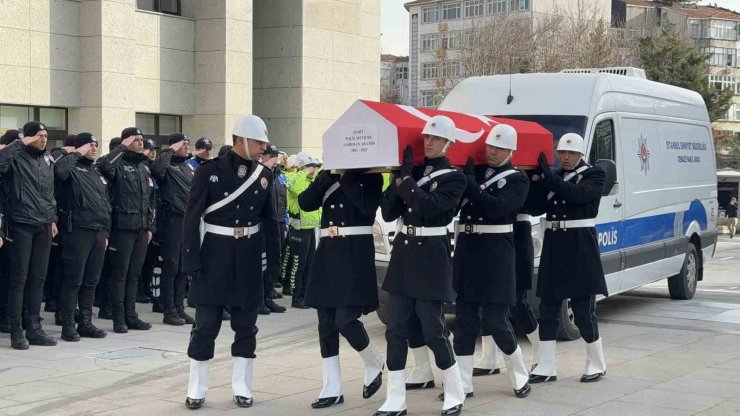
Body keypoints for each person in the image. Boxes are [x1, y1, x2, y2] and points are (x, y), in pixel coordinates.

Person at [182, 114, 280, 409]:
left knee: (246, 325)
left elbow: (270, 221)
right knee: (206, 325)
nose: (264, 147)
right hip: (214, 254)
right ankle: (197, 388)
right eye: (259, 142)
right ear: (241, 140)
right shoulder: (208, 172)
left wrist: (273, 264)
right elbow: (191, 218)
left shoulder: (264, 175)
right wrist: (191, 260)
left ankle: (242, 386)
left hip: (248, 256)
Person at [375, 116, 467, 416]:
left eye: (436, 139)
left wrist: (407, 182)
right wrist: (395, 179)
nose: (429, 142)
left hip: (431, 255)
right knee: (396, 329)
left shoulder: (455, 177)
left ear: (448, 143)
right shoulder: (410, 172)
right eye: (427, 137)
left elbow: (429, 207)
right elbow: (388, 214)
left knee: (433, 329)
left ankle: (455, 390)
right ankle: (395, 398)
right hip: (404, 254)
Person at [451, 124, 531, 400]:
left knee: (497, 321)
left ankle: (520, 377)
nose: (492, 151)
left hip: (497, 255)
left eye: (498, 147)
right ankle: (463, 384)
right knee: (464, 321)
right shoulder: (475, 171)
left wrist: (471, 183)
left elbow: (498, 207)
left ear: (511, 150)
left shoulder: (518, 180)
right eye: (490, 146)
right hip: (468, 251)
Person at [299, 169, 385, 409]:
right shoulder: (327, 176)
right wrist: (327, 176)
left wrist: (346, 177)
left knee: (346, 319)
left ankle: (373, 362)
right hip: (327, 250)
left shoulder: (371, 177)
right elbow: (306, 203)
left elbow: (367, 210)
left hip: (354, 252)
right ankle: (332, 387)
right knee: (326, 322)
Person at [529, 133, 608, 384]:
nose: (565, 157)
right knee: (548, 308)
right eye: (562, 152)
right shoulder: (556, 177)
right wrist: (533, 180)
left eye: (571, 153)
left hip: (580, 244)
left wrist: (549, 177)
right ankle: (547, 365)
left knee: (583, 310)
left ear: (581, 154)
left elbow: (577, 195)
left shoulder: (595, 174)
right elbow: (534, 207)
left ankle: (597, 362)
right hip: (554, 243)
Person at [473, 168, 544, 375]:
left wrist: (538, 179)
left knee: (518, 300)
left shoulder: (523, 175)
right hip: (490, 237)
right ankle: (489, 358)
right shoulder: (487, 170)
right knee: (487, 298)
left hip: (518, 235)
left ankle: (541, 351)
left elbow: (535, 206)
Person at [0, 122, 59, 349]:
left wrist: (53, 218)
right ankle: (16, 330)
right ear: (28, 137)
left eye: (45, 135)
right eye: (38, 136)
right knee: (19, 279)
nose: (43, 139)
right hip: (21, 224)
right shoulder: (15, 157)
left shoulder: (47, 161)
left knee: (38, 279)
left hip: (43, 224)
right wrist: (19, 143)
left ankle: (34, 328)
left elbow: (50, 193)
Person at [98, 128, 156, 333]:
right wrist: (122, 146)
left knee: (134, 275)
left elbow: (150, 200)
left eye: (142, 140)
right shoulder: (117, 163)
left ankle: (131, 315)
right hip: (122, 227)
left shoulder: (143, 166)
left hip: (141, 228)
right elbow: (104, 165)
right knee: (120, 275)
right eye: (136, 140)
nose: (141, 143)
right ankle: (118, 318)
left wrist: (150, 227)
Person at [54, 132, 110, 340]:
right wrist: (75, 154)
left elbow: (105, 203)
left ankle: (86, 322)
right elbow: (59, 172)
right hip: (77, 231)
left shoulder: (96, 171)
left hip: (98, 231)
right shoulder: (70, 167)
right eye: (90, 145)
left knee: (91, 281)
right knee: (73, 280)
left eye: (96, 145)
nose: (94, 148)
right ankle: (68, 325)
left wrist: (106, 232)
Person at [150, 133, 196, 326]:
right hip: (172, 221)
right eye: (183, 144)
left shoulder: (187, 167)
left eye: (187, 143)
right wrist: (170, 150)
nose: (187, 146)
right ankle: (169, 310)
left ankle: (179, 307)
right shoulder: (166, 166)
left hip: (188, 221)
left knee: (183, 268)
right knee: (172, 266)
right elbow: (156, 169)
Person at [285, 153, 321, 309]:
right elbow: (292, 187)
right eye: (311, 166)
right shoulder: (296, 178)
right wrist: (302, 171)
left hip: (311, 228)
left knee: (309, 263)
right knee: (298, 264)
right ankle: (296, 296)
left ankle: (305, 295)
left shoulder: (310, 181)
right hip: (299, 229)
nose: (314, 169)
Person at [95, 137, 122, 320]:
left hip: (112, 222)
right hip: (108, 224)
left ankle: (110, 304)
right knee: (106, 269)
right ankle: (103, 303)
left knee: (114, 268)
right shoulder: (105, 165)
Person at [257, 144, 286, 314]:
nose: (275, 160)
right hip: (262, 225)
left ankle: (268, 296)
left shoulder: (278, 176)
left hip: (278, 223)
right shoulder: (260, 173)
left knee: (273, 263)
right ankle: (260, 300)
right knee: (262, 264)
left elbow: (283, 201)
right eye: (271, 156)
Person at [0, 129, 23, 334]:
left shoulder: (17, 164)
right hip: (3, 225)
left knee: (10, 275)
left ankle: (9, 315)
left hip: (13, 225)